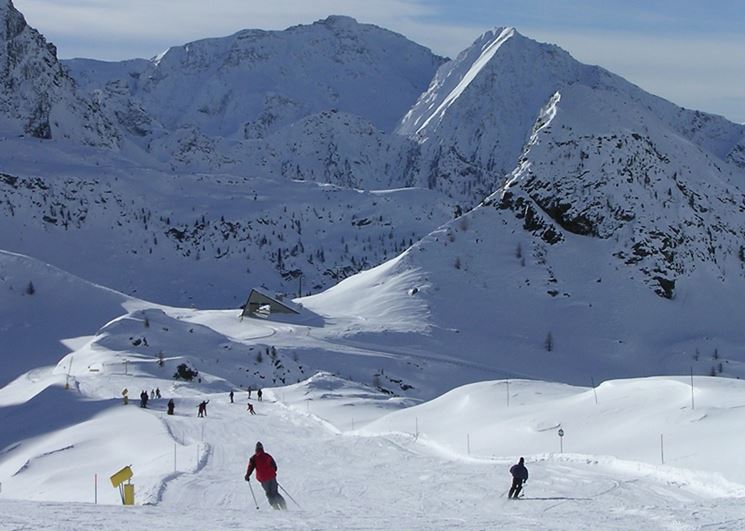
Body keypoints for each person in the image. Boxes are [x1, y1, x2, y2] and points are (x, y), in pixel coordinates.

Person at [245, 442, 286, 510]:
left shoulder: (254, 458)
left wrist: (247, 476)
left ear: (256, 449)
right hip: (272, 477)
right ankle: (284, 506)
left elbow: (250, 467)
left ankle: (276, 508)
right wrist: (272, 472)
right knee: (275, 492)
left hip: (263, 479)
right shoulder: (267, 456)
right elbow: (274, 466)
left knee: (269, 493)